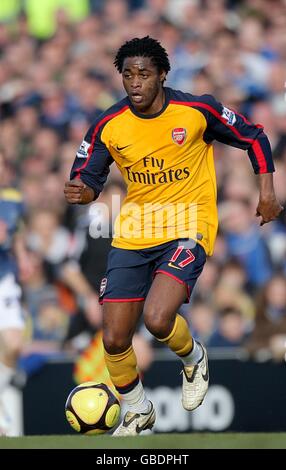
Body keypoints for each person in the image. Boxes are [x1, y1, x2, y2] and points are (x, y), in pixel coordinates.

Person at [64, 36, 283, 436]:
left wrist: (267, 192)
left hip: (188, 225)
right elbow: (89, 178)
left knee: (158, 318)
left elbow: (254, 136)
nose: (135, 82)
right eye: (128, 75)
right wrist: (83, 192)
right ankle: (136, 408)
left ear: (162, 75)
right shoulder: (108, 125)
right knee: (113, 338)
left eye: (144, 74)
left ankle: (194, 356)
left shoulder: (197, 110)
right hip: (133, 232)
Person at [0, 150, 30, 435]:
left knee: (14, 343)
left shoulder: (12, 199)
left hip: (5, 278)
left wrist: (22, 257)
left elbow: (17, 232)